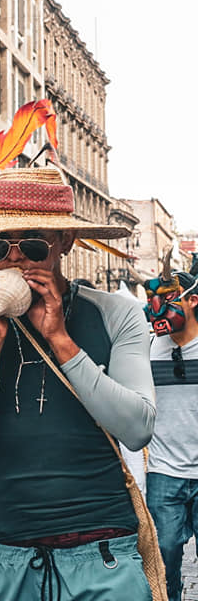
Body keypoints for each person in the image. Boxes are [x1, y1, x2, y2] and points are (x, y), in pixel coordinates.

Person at [0, 166, 156, 600]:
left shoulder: (115, 314)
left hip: (103, 551)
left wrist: (61, 340)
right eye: (0, 247)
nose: (15, 260)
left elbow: (137, 427)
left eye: (32, 245)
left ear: (64, 243)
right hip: (5, 556)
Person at [142, 254, 198, 601]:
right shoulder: (146, 350)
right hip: (164, 472)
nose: (158, 307)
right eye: (154, 298)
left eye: (168, 297)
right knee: (164, 556)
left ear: (193, 300)